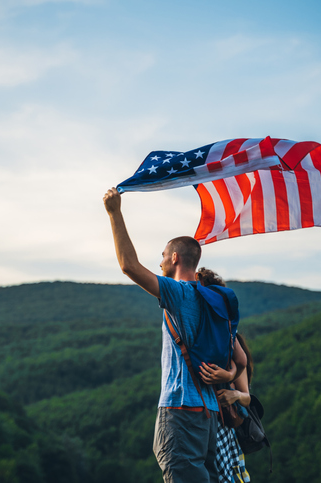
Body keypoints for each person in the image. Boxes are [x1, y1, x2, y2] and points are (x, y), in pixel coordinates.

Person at [103, 187, 241, 483]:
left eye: (163, 256)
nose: (161, 262)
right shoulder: (215, 299)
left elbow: (129, 266)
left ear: (175, 258)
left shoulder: (179, 294)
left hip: (180, 409)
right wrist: (228, 374)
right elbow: (237, 358)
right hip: (209, 415)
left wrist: (115, 213)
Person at [196, 269, 253, 483]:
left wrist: (234, 395)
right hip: (204, 426)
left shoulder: (230, 340)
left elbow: (247, 398)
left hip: (223, 430)